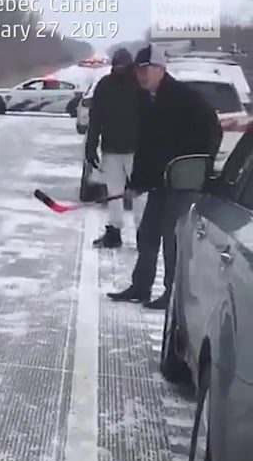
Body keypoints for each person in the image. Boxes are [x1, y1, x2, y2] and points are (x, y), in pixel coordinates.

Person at [108, 43, 221, 310]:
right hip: (161, 181)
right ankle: (140, 286)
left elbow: (213, 131)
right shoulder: (146, 99)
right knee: (147, 234)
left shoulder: (185, 97)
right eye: (139, 70)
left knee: (173, 239)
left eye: (148, 69)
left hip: (182, 182)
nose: (142, 75)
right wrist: (136, 183)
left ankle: (173, 293)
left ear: (162, 69)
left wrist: (197, 164)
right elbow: (147, 147)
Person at [84, 48, 146, 249]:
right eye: (117, 66)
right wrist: (91, 146)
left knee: (139, 196)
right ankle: (114, 232)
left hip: (137, 150)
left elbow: (151, 118)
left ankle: (143, 235)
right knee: (114, 194)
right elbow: (96, 118)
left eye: (123, 66)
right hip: (111, 149)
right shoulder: (105, 85)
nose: (120, 70)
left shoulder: (140, 86)